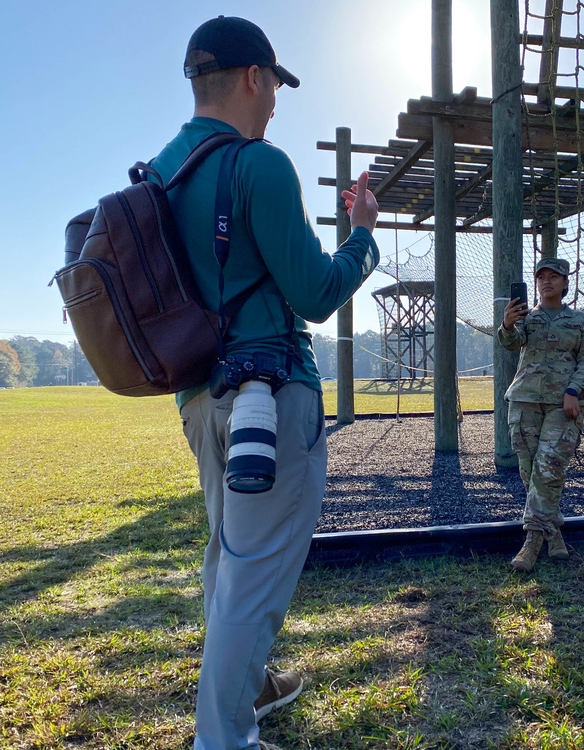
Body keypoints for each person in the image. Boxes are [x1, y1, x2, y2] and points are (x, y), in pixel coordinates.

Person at [149, 16, 380, 750]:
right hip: (272, 394)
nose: (277, 99)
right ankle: (223, 740)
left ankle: (253, 687)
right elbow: (313, 294)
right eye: (276, 83)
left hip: (199, 400)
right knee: (252, 577)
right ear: (255, 76)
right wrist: (363, 236)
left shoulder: (161, 171)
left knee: (228, 559)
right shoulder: (260, 163)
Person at [496, 258, 584, 573]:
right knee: (531, 472)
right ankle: (553, 532)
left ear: (566, 284)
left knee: (549, 466)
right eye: (541, 277)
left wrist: (574, 390)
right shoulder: (528, 318)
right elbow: (512, 344)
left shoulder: (580, 321)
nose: (546, 282)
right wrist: (507, 324)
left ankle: (530, 543)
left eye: (554, 277)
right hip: (524, 400)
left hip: (562, 403)